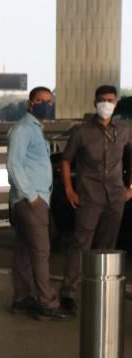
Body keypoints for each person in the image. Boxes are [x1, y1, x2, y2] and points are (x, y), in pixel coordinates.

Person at [60, 84, 132, 315]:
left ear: (116, 103)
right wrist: (70, 190)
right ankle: (68, 293)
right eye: (102, 100)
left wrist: (130, 187)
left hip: (115, 197)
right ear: (94, 103)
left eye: (110, 100)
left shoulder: (124, 130)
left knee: (107, 245)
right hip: (89, 197)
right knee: (80, 243)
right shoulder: (81, 132)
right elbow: (66, 160)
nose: (106, 104)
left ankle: (101, 289)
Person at [6, 87, 71, 320]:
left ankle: (23, 297)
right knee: (41, 252)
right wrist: (31, 195)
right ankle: (47, 303)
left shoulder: (35, 129)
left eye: (49, 101)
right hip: (31, 201)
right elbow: (14, 163)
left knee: (24, 250)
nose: (46, 105)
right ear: (30, 103)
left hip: (33, 199)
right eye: (40, 100)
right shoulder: (24, 129)